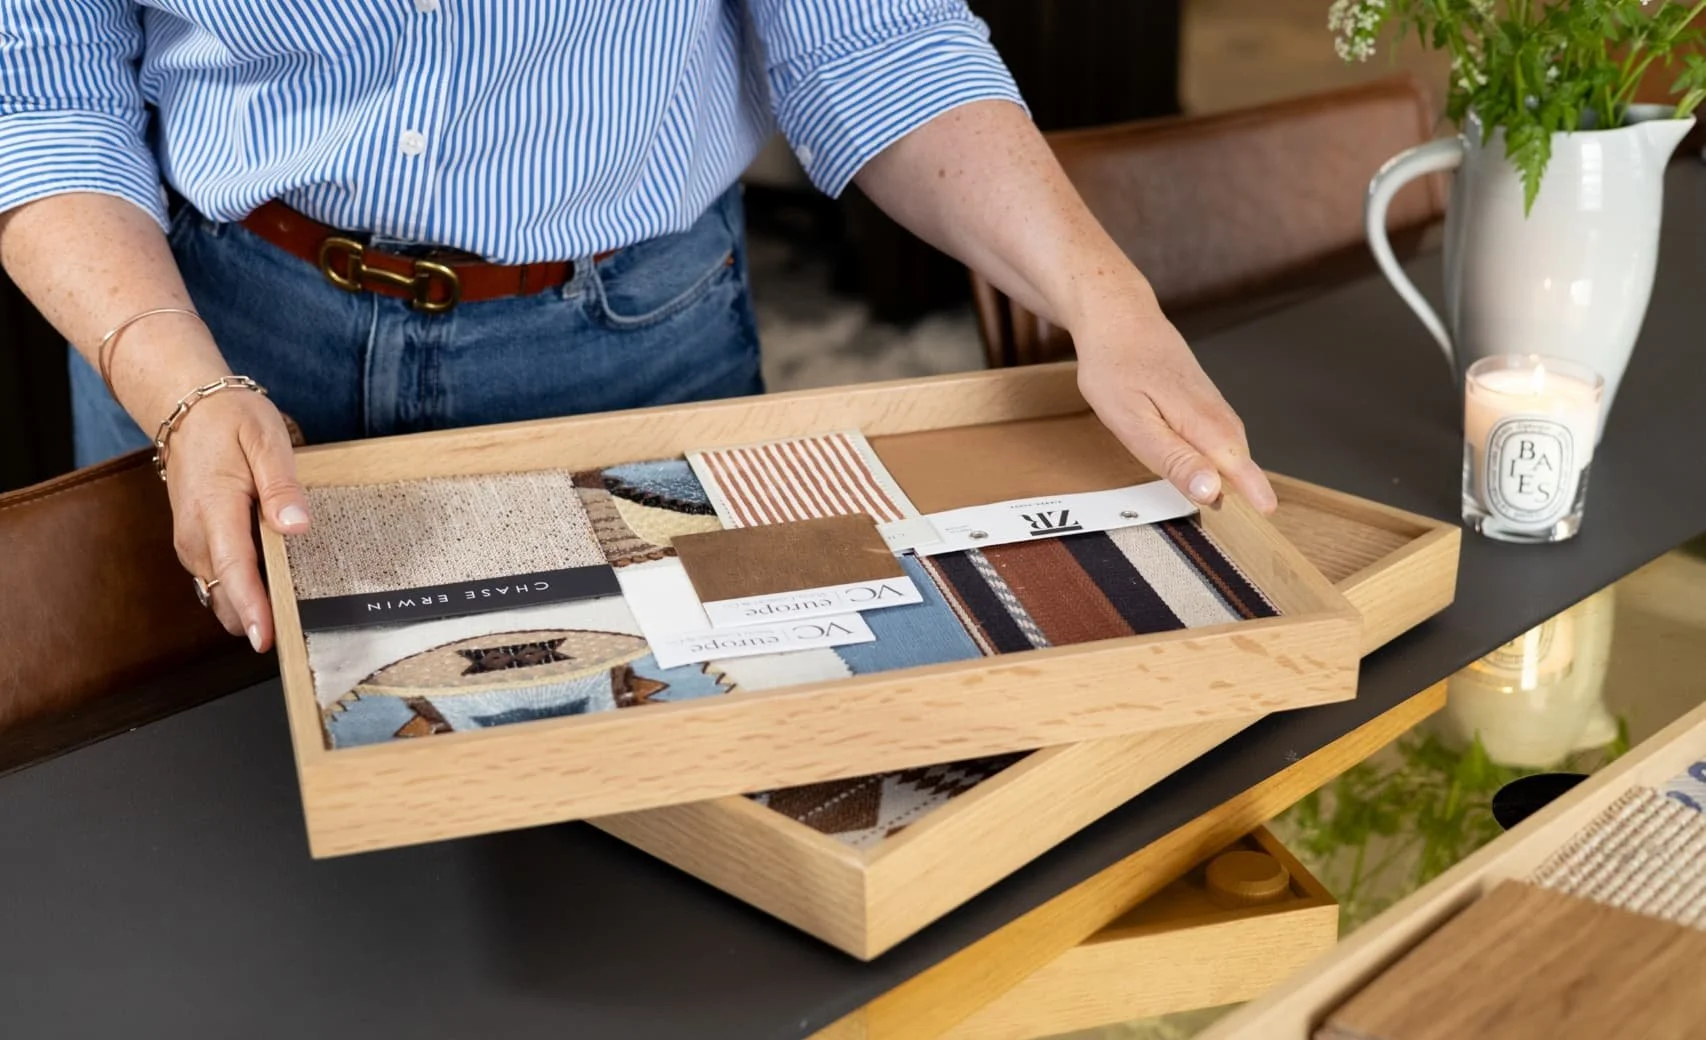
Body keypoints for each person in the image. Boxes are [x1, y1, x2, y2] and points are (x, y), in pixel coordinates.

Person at [0, 1, 1276, 655]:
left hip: (623, 345)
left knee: (653, 857)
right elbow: (42, 90)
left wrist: (1106, 300)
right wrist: (178, 382)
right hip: (193, 330)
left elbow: (869, 34)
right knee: (202, 837)